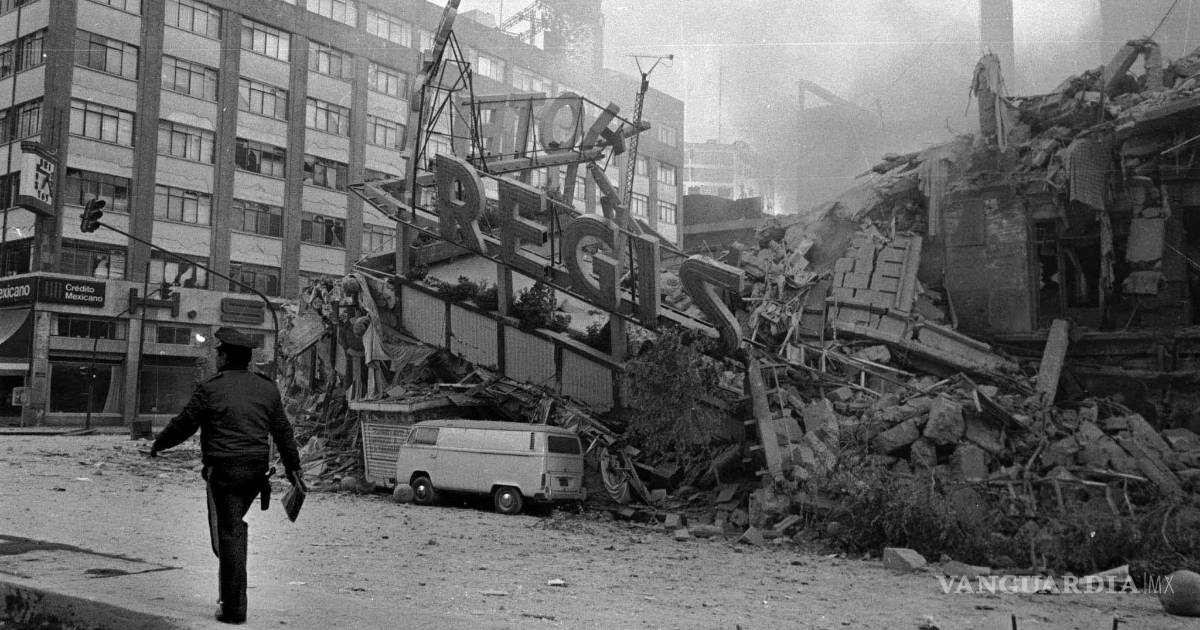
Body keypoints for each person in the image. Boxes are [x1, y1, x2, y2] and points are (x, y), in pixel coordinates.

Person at [148, 327, 304, 625]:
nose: (216, 357)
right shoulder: (267, 388)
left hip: (224, 472)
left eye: (218, 353)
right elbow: (283, 432)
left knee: (228, 534)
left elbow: (185, 424)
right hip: (255, 474)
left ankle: (233, 608)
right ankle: (231, 594)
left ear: (224, 357)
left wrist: (159, 444)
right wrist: (293, 468)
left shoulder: (210, 388)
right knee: (232, 528)